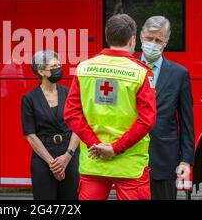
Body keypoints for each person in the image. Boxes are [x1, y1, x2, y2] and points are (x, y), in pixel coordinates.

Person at [64, 13, 157, 200]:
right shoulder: (141, 73)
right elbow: (146, 121)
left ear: (107, 37)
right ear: (132, 40)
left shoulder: (84, 68)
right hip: (129, 165)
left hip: (94, 161)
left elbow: (72, 113)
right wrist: (115, 148)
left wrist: (95, 145)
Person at [140, 16, 194, 200]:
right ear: (141, 37)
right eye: (149, 39)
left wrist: (186, 160)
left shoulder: (179, 74)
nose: (152, 44)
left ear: (166, 42)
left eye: (158, 40)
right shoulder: (128, 68)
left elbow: (187, 122)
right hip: (130, 158)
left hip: (164, 160)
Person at [21, 50, 80, 200]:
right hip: (43, 158)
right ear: (41, 71)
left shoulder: (69, 93)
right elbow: (30, 134)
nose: (58, 68)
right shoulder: (29, 98)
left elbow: (78, 127)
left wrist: (67, 157)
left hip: (70, 154)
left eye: (59, 65)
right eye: (53, 66)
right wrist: (52, 164)